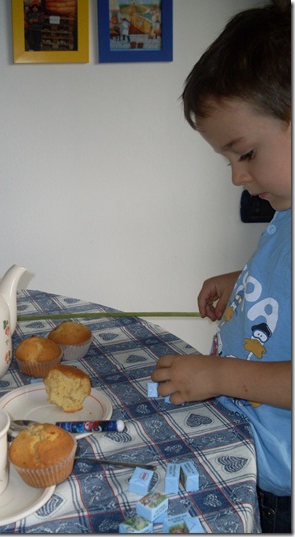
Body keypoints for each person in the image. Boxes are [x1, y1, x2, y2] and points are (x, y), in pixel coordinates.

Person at [151, 1, 291, 533]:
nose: (236, 177)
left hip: (279, 483)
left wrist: (218, 375)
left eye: (246, 154)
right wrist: (246, 281)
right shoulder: (288, 207)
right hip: (243, 443)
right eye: (227, 161)